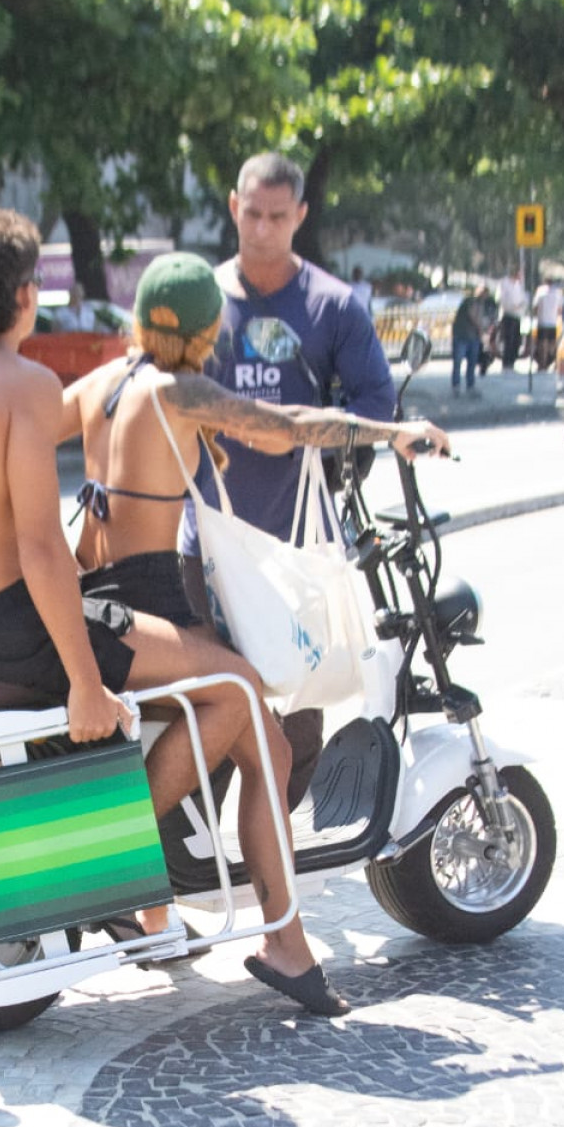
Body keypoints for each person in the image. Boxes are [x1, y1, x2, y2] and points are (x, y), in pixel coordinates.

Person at [0, 210, 352, 1015]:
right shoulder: (23, 384)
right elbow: (39, 550)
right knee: (234, 687)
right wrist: (86, 682)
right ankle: (144, 878)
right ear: (24, 296)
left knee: (243, 713)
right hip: (17, 637)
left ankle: (236, 925)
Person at [61, 252, 449, 974]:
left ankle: (156, 910)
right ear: (210, 331)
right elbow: (289, 425)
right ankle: (148, 877)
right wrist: (387, 432)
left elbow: (18, 432)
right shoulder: (180, 392)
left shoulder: (102, 386)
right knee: (251, 714)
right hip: (147, 604)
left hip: (100, 595)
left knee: (246, 731)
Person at [177, 152, 398, 808]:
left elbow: (374, 408)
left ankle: (274, 832)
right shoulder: (200, 302)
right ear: (232, 207)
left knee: (296, 702)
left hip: (297, 549)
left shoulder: (332, 306)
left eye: (279, 216)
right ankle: (209, 842)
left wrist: (311, 449)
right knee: (212, 698)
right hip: (205, 544)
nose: (264, 228)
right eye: (253, 213)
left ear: (300, 215)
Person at [451, 287, 485, 395]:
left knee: (470, 362)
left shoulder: (479, 304)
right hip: (463, 335)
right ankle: (458, 385)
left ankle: (468, 384)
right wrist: (479, 328)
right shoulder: (471, 302)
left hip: (471, 336)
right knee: (459, 361)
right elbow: (472, 315)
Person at [532, 276, 564, 369]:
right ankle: (551, 363)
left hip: (542, 322)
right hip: (552, 322)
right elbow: (560, 310)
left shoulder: (540, 291)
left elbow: (535, 307)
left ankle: (542, 363)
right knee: (552, 344)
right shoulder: (558, 292)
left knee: (542, 344)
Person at [498, 272, 527, 370]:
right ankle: (506, 362)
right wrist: (511, 307)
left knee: (516, 341)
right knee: (508, 340)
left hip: (517, 316)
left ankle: (512, 361)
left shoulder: (519, 285)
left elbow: (523, 299)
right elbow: (501, 299)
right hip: (508, 315)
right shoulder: (505, 283)